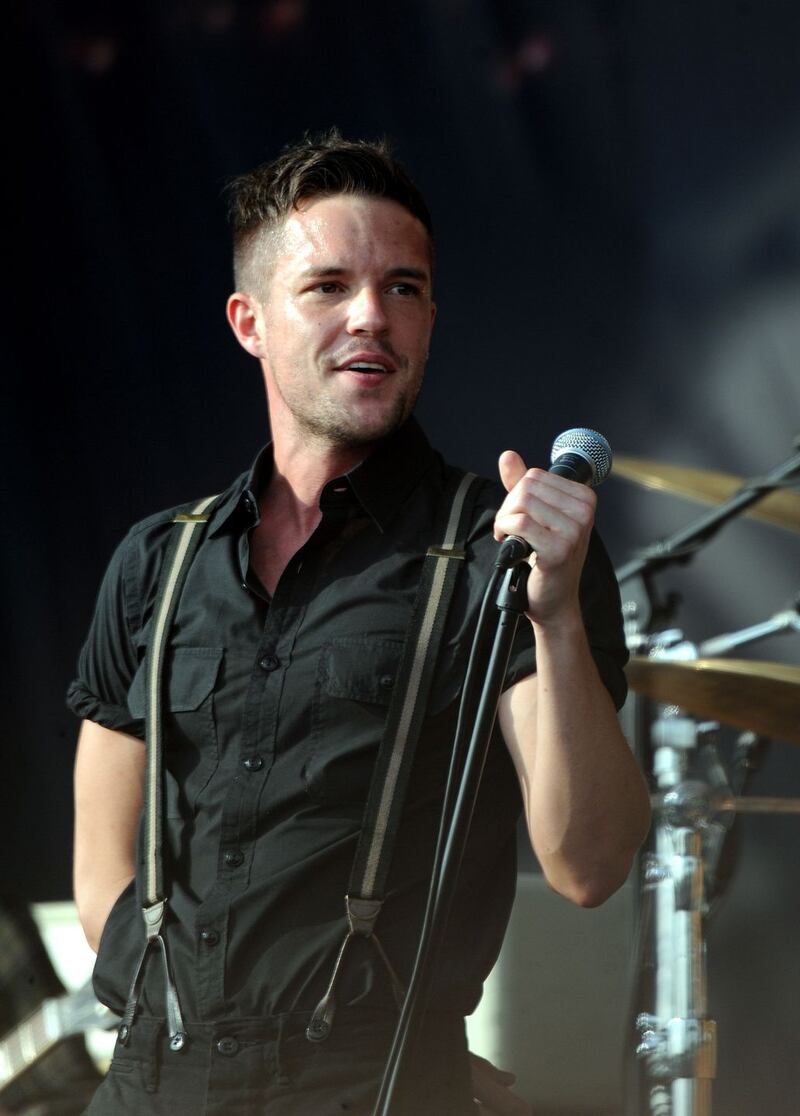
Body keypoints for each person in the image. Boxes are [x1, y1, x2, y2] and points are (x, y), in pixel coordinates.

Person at [68, 131, 651, 1115]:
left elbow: (586, 865)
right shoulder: (155, 561)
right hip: (151, 1079)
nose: (371, 317)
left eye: (404, 288)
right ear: (248, 321)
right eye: (328, 286)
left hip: (370, 1083)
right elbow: (103, 864)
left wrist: (551, 617)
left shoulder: (497, 547)